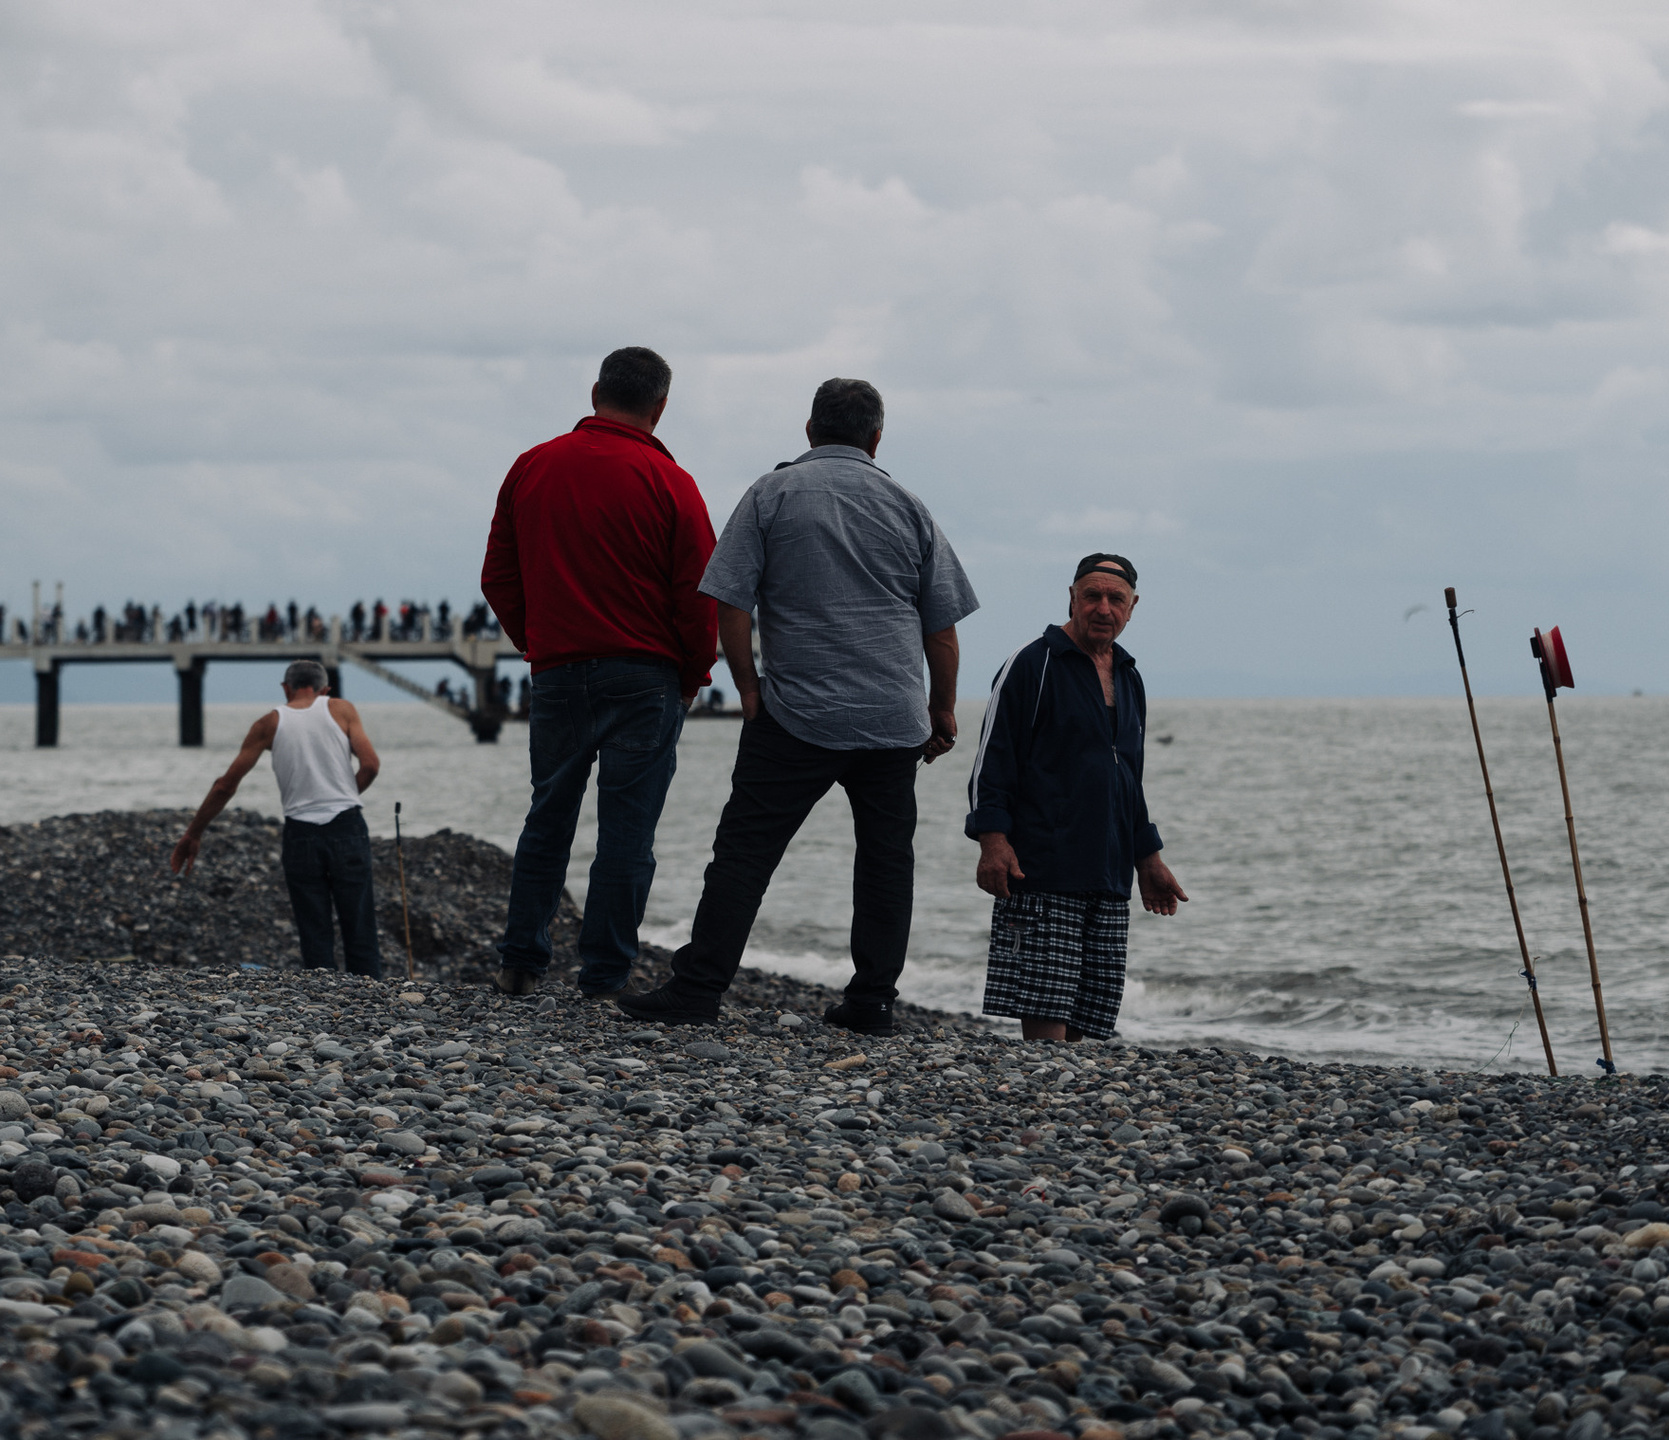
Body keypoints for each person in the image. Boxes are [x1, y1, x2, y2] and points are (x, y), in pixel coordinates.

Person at [616, 378, 976, 1034]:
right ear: (876, 438)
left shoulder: (770, 494)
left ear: (809, 430)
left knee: (745, 853)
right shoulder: (908, 504)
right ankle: (872, 1002)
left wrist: (748, 687)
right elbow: (942, 628)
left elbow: (730, 600)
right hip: (892, 716)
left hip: (793, 713)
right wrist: (943, 708)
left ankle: (698, 990)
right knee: (886, 860)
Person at [480, 346, 718, 999]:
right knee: (626, 830)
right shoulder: (671, 482)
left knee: (548, 815)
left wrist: (539, 641)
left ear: (595, 392)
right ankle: (605, 973)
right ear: (659, 405)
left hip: (558, 671)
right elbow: (699, 593)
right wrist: (694, 673)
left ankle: (521, 961)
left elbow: (497, 575)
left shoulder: (532, 467)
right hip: (645, 675)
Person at [967, 554, 1188, 1044]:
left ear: (1133, 607)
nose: (1103, 607)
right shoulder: (1032, 663)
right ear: (1072, 598)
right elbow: (991, 761)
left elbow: (1128, 777)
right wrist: (992, 840)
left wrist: (1147, 858)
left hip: (1108, 874)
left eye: (1116, 598)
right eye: (1092, 595)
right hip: (1042, 868)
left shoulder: (1130, 676)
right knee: (1046, 1017)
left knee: (1090, 1019)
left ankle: (1066, 1109)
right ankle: (1044, 1104)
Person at [170, 659, 385, 976]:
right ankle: (373, 999)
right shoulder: (342, 710)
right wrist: (343, 795)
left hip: (301, 833)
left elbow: (225, 785)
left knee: (314, 928)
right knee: (360, 923)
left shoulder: (268, 724)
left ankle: (325, 1001)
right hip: (347, 825)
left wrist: (193, 833)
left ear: (286, 688)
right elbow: (370, 765)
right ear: (325, 689)